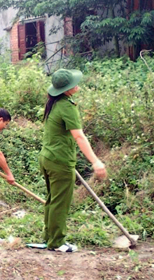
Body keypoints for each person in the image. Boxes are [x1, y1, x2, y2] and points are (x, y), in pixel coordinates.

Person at [39, 69, 107, 252]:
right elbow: (79, 137)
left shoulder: (55, 103)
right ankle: (57, 242)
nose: (77, 85)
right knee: (60, 202)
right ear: (66, 89)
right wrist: (95, 161)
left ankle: (49, 238)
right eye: (72, 84)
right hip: (59, 161)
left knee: (53, 200)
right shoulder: (67, 106)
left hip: (47, 158)